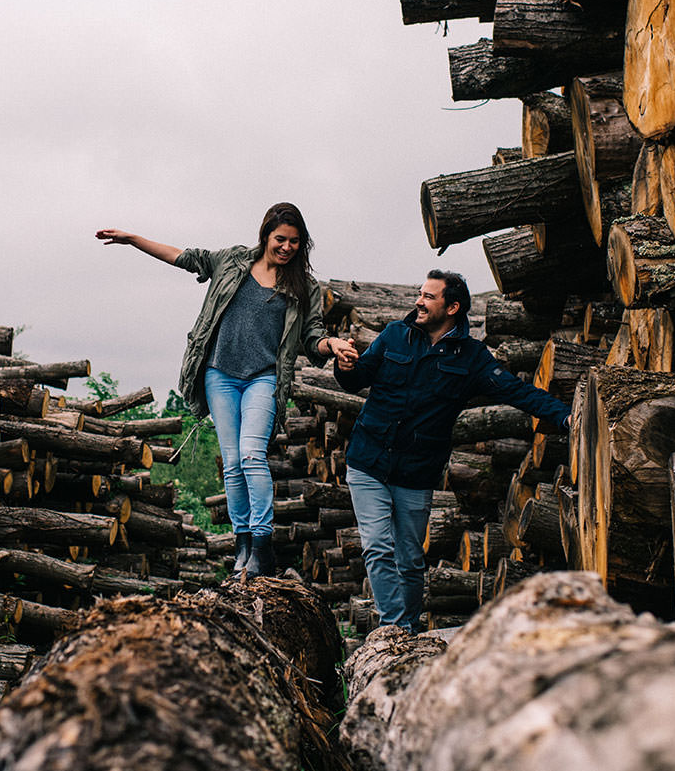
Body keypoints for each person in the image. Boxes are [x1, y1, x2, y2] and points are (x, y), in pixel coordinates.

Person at [97, 203, 358, 579]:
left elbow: (311, 337)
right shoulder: (233, 261)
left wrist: (331, 345)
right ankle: (242, 545)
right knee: (233, 463)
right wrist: (133, 239)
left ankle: (263, 546)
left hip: (264, 378)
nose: (287, 248)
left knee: (253, 455)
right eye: (280, 239)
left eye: (295, 242)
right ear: (265, 234)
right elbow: (183, 257)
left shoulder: (304, 287)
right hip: (219, 375)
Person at [333, 270, 570, 633]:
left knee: (410, 560)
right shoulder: (395, 335)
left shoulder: (472, 358)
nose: (419, 301)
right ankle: (394, 632)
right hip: (368, 461)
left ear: (453, 307)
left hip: (416, 473)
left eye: (429, 296)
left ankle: (409, 627)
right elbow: (358, 377)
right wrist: (344, 365)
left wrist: (566, 416)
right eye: (420, 293)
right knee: (378, 549)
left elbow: (517, 393)